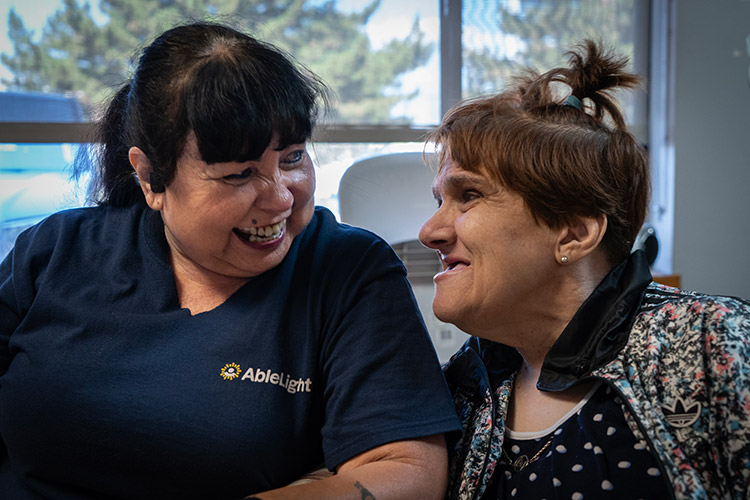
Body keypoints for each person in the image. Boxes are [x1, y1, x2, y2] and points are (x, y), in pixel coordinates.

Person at [0, 22, 461, 500]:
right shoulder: (58, 250)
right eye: (240, 174)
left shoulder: (347, 270)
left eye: (293, 157)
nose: (281, 197)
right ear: (150, 178)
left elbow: (408, 470)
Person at [418, 40, 750, 500]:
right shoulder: (466, 388)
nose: (428, 231)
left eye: (468, 196)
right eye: (439, 201)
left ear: (574, 233)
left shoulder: (713, 346)